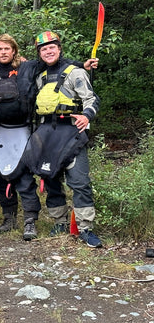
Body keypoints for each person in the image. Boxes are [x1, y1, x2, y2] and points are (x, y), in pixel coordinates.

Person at [22, 31, 102, 248]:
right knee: (51, 179)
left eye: (52, 47)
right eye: (44, 49)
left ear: (59, 49)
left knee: (79, 182)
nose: (48, 51)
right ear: (39, 53)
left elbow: (92, 98)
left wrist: (86, 116)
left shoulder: (75, 72)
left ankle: (85, 228)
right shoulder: (39, 77)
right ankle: (60, 222)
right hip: (47, 132)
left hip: (71, 131)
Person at [0, 34, 42, 240]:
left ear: (14, 50)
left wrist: (83, 65)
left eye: (7, 49)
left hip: (22, 130)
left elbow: (54, 63)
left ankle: (30, 221)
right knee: (3, 178)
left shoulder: (27, 68)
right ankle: (9, 218)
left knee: (24, 177)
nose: (3, 52)